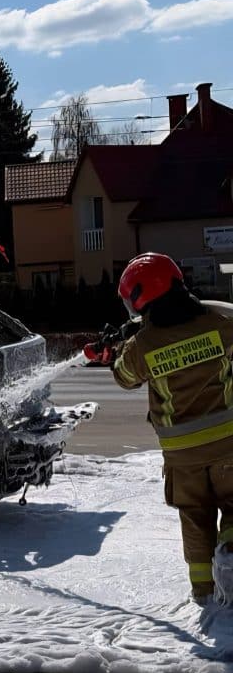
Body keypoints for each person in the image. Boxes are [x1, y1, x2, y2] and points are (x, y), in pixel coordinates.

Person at [90, 253, 233, 604]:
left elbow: (124, 377)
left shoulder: (143, 345)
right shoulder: (219, 324)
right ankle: (230, 551)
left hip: (182, 456)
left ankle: (204, 593)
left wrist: (116, 351)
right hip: (228, 444)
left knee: (195, 517)